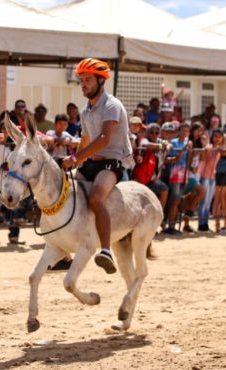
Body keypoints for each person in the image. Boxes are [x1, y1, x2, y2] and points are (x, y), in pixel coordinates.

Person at [62, 58, 133, 274]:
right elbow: (85, 139)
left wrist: (76, 159)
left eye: (88, 80)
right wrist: (75, 158)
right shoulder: (85, 111)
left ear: (100, 81)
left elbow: (103, 139)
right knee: (64, 190)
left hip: (113, 163)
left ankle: (105, 251)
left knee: (95, 197)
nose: (83, 84)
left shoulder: (112, 105)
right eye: (81, 80)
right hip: (92, 162)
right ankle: (63, 251)